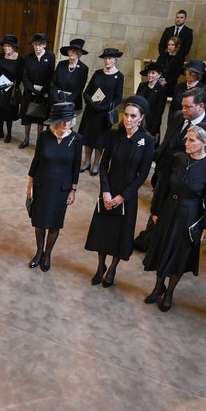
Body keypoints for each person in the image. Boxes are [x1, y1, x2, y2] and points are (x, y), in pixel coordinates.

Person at [143, 125, 206, 312]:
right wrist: (155, 211)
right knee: (162, 249)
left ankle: (169, 292)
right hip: (168, 210)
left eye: (192, 140)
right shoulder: (178, 158)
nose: (186, 143)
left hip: (189, 216)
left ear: (204, 143)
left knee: (179, 254)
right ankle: (158, 286)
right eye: (187, 138)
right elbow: (163, 187)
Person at [84, 96, 155, 287]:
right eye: (126, 115)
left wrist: (123, 196)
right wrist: (105, 192)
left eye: (133, 116)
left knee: (119, 235)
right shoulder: (114, 135)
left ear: (141, 118)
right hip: (109, 189)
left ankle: (113, 268)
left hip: (127, 194)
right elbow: (104, 165)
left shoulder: (147, 141)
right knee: (103, 232)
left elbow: (143, 175)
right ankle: (100, 267)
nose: (128, 119)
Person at [26, 103, 82, 272]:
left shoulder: (76, 139)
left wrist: (73, 190)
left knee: (54, 224)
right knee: (40, 222)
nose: (66, 123)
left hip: (61, 189)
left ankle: (48, 254)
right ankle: (38, 252)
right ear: (55, 120)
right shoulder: (44, 136)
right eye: (63, 120)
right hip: (42, 185)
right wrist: (29, 186)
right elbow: (36, 162)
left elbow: (76, 167)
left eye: (69, 120)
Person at [153, 87, 206, 187]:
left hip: (187, 183)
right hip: (163, 176)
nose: (183, 110)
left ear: (200, 106)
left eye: (187, 107)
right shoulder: (177, 116)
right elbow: (166, 143)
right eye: (182, 106)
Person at [78, 48, 124, 174]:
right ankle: (87, 161)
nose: (107, 60)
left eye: (110, 58)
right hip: (91, 111)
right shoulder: (98, 73)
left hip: (104, 114)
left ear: (115, 60)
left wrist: (106, 107)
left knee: (99, 140)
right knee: (88, 136)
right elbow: (87, 92)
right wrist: (90, 102)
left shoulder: (119, 76)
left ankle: (96, 163)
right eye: (105, 58)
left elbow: (118, 97)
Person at [18, 33, 55, 149]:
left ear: (44, 45)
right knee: (27, 116)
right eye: (35, 45)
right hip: (30, 91)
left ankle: (39, 141)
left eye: (39, 45)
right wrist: (32, 89)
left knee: (41, 117)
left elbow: (50, 76)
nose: (37, 47)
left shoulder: (50, 57)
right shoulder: (28, 58)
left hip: (43, 92)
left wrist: (42, 91)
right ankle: (26, 139)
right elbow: (24, 76)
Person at [0, 34, 23, 143]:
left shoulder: (20, 59)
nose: (6, 48)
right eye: (5, 46)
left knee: (8, 113)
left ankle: (9, 134)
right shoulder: (1, 56)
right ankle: (0, 132)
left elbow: (20, 75)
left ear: (14, 47)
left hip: (11, 90)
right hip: (0, 87)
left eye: (9, 46)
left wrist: (14, 83)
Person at [50, 38, 89, 110]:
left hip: (71, 103)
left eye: (74, 51)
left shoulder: (83, 69)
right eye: (70, 50)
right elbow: (53, 83)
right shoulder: (61, 64)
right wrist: (56, 99)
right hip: (56, 101)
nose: (72, 52)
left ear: (79, 53)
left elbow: (79, 89)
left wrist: (66, 101)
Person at [135, 62, 167, 140]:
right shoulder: (142, 85)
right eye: (149, 73)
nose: (150, 75)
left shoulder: (162, 89)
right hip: (138, 120)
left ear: (159, 75)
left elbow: (159, 111)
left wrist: (154, 128)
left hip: (151, 123)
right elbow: (136, 102)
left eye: (153, 73)